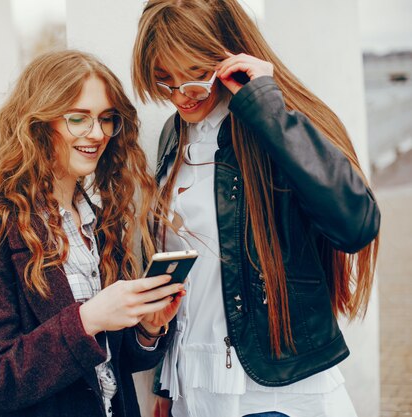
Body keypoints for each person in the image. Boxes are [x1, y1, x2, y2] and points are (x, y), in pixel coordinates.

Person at [130, 1, 381, 416]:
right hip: (194, 391)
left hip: (270, 394)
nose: (181, 96)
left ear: (229, 55)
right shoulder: (173, 137)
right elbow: (193, 278)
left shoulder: (276, 122)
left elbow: (355, 224)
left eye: (195, 77)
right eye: (164, 81)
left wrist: (265, 104)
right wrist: (169, 382)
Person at [0, 50, 186, 417]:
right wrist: (89, 319)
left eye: (106, 119)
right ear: (37, 124)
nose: (97, 133)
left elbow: (109, 368)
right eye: (78, 118)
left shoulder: (100, 224)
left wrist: (148, 330)